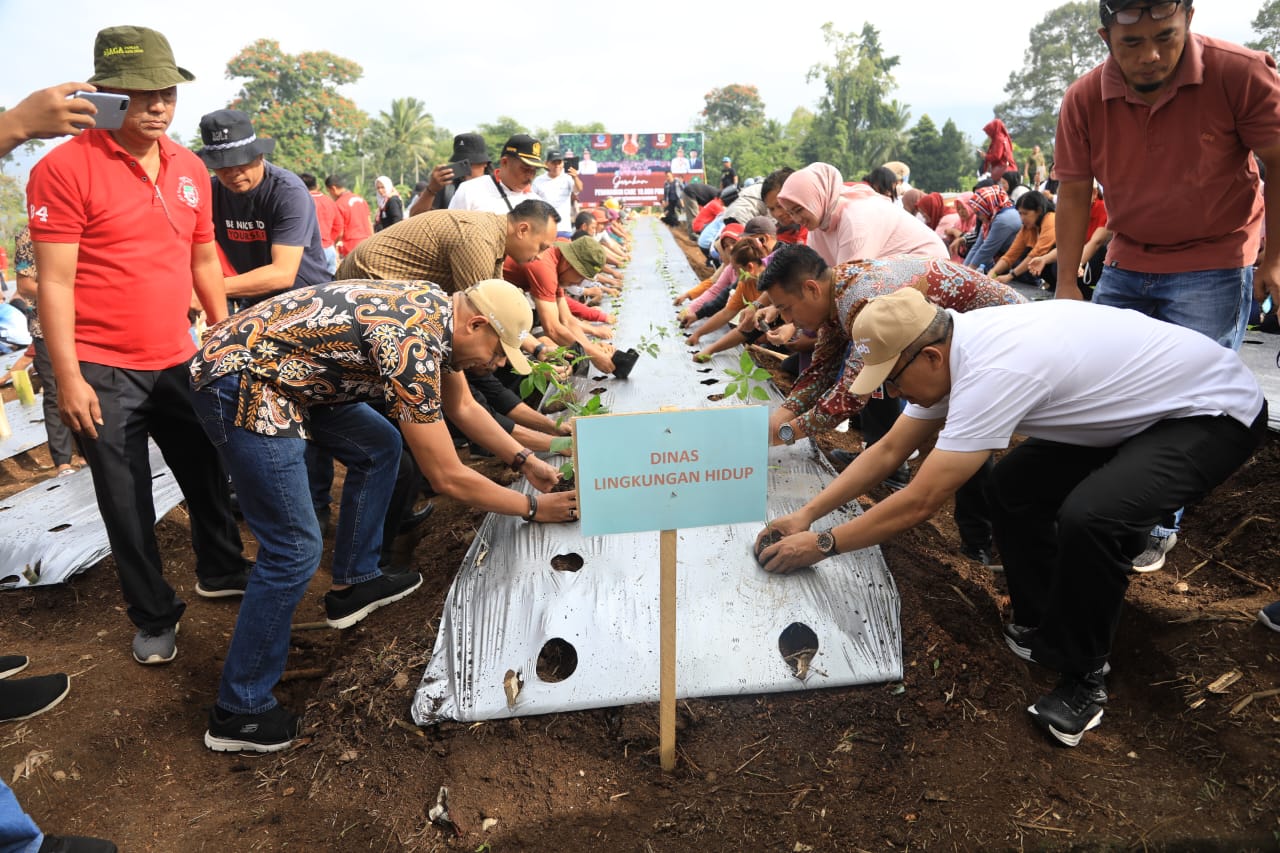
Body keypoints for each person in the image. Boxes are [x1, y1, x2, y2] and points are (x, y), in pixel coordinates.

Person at [756, 287, 1267, 747]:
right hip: (1136, 408)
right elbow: (890, 449)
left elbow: (922, 499)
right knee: (1014, 487)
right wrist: (806, 514)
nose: (890, 395)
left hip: (1210, 412)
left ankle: (1085, 679)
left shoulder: (993, 370)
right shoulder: (948, 348)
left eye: (891, 380)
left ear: (929, 356)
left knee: (1093, 517)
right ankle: (1039, 621)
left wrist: (823, 544)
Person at [191, 278, 578, 752]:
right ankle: (240, 710)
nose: (496, 364)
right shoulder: (413, 342)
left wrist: (526, 460)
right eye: (498, 351)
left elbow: (463, 407)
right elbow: (446, 476)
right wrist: (533, 508)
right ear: (476, 323)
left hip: (298, 376)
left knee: (379, 444)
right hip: (246, 378)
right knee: (293, 549)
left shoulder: (439, 319)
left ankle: (355, 582)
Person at [28, 25, 252, 667]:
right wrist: (67, 377)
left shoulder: (188, 168)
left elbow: (204, 256)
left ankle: (221, 566)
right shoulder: (63, 168)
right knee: (125, 500)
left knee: (207, 469)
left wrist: (222, 328)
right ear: (101, 95)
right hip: (102, 369)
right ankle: (153, 614)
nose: (156, 106)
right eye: (138, 95)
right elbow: (54, 281)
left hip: (178, 357)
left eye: (166, 94)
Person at [1053, 0, 1280, 570]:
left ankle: (1157, 520)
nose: (1151, 56)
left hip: (1216, 258)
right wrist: (1065, 285)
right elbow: (1075, 192)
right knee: (1106, 388)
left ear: (1189, 19)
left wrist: (1273, 259)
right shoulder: (1084, 99)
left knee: (1189, 400)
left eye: (1166, 36)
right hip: (1129, 260)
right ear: (1106, 37)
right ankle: (1099, 501)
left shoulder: (1238, 72)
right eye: (1132, 43)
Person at [758, 243, 1025, 562]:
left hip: (1001, 344)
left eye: (786, 308)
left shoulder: (864, 302)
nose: (786, 319)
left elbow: (847, 398)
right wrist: (781, 418)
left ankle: (977, 544)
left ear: (811, 288)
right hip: (955, 352)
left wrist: (785, 434)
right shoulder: (838, 295)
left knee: (965, 448)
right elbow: (822, 369)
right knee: (921, 438)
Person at [197, 109, 330, 313]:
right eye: (222, 166)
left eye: (240, 162)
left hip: (307, 301)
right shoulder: (209, 193)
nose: (233, 173)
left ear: (258, 154)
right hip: (256, 301)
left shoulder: (287, 192)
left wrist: (206, 289)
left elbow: (282, 273)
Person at [775, 163, 947, 266]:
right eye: (791, 213)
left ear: (817, 198)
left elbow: (847, 284)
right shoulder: (819, 224)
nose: (797, 219)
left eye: (799, 210)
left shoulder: (855, 218)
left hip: (930, 269)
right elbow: (814, 273)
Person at [11, 227, 79, 476]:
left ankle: (88, 450)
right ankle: (63, 460)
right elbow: (25, 284)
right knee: (54, 391)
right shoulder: (29, 235)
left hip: (87, 323)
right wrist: (61, 293)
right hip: (47, 326)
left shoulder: (84, 228)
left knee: (96, 383)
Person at [450, 134, 545, 214]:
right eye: (525, 168)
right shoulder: (470, 190)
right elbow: (449, 231)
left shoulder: (537, 203)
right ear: (504, 162)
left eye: (534, 170)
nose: (530, 175)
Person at [409, 132, 493, 216]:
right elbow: (415, 218)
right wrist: (431, 190)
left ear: (485, 163)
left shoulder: (496, 186)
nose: (466, 169)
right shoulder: (447, 187)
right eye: (460, 164)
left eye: (469, 164)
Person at [988, 191, 1056, 287]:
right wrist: (992, 272)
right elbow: (1010, 256)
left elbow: (1037, 253)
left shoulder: (1051, 219)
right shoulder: (1027, 228)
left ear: (1039, 211)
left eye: (1025, 213)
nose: (1022, 218)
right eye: (1020, 214)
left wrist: (1010, 276)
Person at [962, 185, 1021, 272]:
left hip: (1020, 266)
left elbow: (986, 250)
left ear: (987, 205)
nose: (978, 217)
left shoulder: (1004, 219)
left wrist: (967, 273)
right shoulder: (991, 216)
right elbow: (977, 246)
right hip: (1008, 264)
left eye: (978, 213)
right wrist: (963, 270)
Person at [300, 172, 341, 275]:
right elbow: (339, 226)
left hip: (311, 252)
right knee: (331, 286)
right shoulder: (329, 201)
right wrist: (330, 241)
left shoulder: (302, 201)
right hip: (329, 249)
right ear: (317, 185)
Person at [532, 151, 581, 236]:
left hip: (564, 228)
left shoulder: (568, 178)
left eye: (559, 162)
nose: (557, 165)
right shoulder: (538, 180)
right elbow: (531, 202)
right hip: (545, 228)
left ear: (563, 164)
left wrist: (575, 177)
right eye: (554, 162)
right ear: (546, 164)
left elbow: (578, 189)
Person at [324, 174, 373, 258]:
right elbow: (369, 223)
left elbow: (340, 231)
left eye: (329, 192)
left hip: (350, 247)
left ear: (333, 188)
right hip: (367, 244)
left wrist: (334, 245)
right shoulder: (361, 200)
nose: (330, 195)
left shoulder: (339, 204)